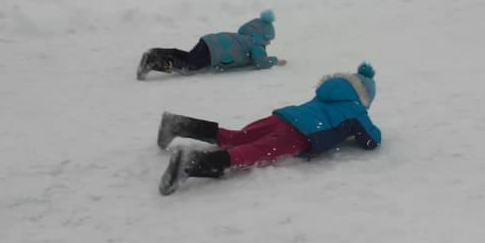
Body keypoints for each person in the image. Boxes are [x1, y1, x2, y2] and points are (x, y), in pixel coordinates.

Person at [157, 62, 381, 195]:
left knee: (237, 137)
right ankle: (190, 163)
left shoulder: (325, 95)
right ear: (365, 98)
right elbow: (372, 140)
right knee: (252, 152)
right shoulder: (356, 111)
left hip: (283, 117)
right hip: (300, 134)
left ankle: (180, 124)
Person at [137, 9, 286, 79]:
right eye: (269, 40)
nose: (269, 43)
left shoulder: (242, 38)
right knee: (189, 67)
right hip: (214, 52)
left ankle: (156, 52)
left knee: (188, 56)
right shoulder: (255, 45)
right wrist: (274, 60)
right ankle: (153, 62)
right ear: (263, 36)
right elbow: (260, 62)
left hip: (209, 41)